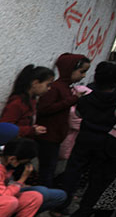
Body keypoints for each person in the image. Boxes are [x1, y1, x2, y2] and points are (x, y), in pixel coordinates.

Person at [59, 62, 116, 217]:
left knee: (74, 170)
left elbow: (80, 113)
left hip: (87, 137)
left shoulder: (88, 97)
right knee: (98, 180)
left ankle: (61, 205)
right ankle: (86, 216)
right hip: (107, 142)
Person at [0, 123, 67, 217]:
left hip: (8, 191)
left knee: (49, 195)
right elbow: (1, 194)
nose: (19, 140)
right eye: (16, 138)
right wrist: (21, 181)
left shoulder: (11, 156)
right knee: (37, 193)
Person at [35, 53, 91, 186]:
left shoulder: (67, 88)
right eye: (81, 71)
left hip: (55, 137)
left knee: (49, 170)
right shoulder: (55, 87)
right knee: (47, 172)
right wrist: (72, 99)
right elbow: (44, 109)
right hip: (46, 136)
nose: (83, 76)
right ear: (69, 69)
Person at [0, 65, 55, 140]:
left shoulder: (32, 101)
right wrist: (30, 130)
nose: (49, 88)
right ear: (35, 83)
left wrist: (33, 128)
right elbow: (4, 128)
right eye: (48, 85)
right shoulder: (17, 103)